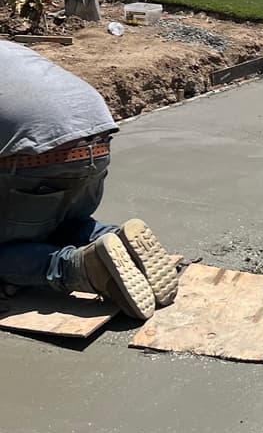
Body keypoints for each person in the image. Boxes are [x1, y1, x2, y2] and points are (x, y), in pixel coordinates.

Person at [0, 41, 177, 319]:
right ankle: (116, 242)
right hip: (95, 140)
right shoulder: (8, 48)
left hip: (41, 159)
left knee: (19, 227)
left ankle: (82, 269)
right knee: (61, 221)